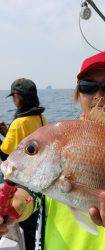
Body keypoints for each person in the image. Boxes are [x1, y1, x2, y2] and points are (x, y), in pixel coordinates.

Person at [0, 53, 105, 250]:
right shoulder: (58, 141)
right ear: (77, 94)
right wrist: (14, 206)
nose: (99, 95)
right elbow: (34, 195)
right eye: (88, 86)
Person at [0, 78, 47, 250]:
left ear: (19, 97)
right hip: (38, 176)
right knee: (36, 223)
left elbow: (5, 154)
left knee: (26, 223)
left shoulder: (18, 123)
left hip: (21, 180)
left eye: (14, 96)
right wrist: (6, 132)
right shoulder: (41, 117)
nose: (13, 100)